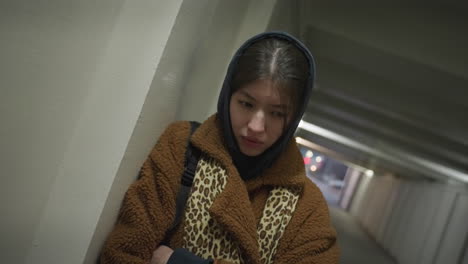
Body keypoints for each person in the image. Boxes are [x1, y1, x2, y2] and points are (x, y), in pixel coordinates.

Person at [100, 31, 339, 264]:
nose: (256, 126)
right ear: (227, 96)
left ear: (294, 118)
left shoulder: (307, 206)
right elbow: (122, 253)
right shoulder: (182, 149)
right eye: (246, 104)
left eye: (277, 113)